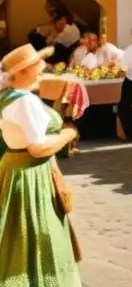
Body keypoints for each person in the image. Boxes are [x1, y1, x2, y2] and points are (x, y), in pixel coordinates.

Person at [0, 44, 81, 286]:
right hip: (30, 173)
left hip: (16, 168)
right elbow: (38, 147)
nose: (42, 69)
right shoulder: (25, 101)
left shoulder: (8, 97)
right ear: (24, 71)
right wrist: (67, 134)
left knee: (18, 233)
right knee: (38, 233)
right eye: (38, 65)